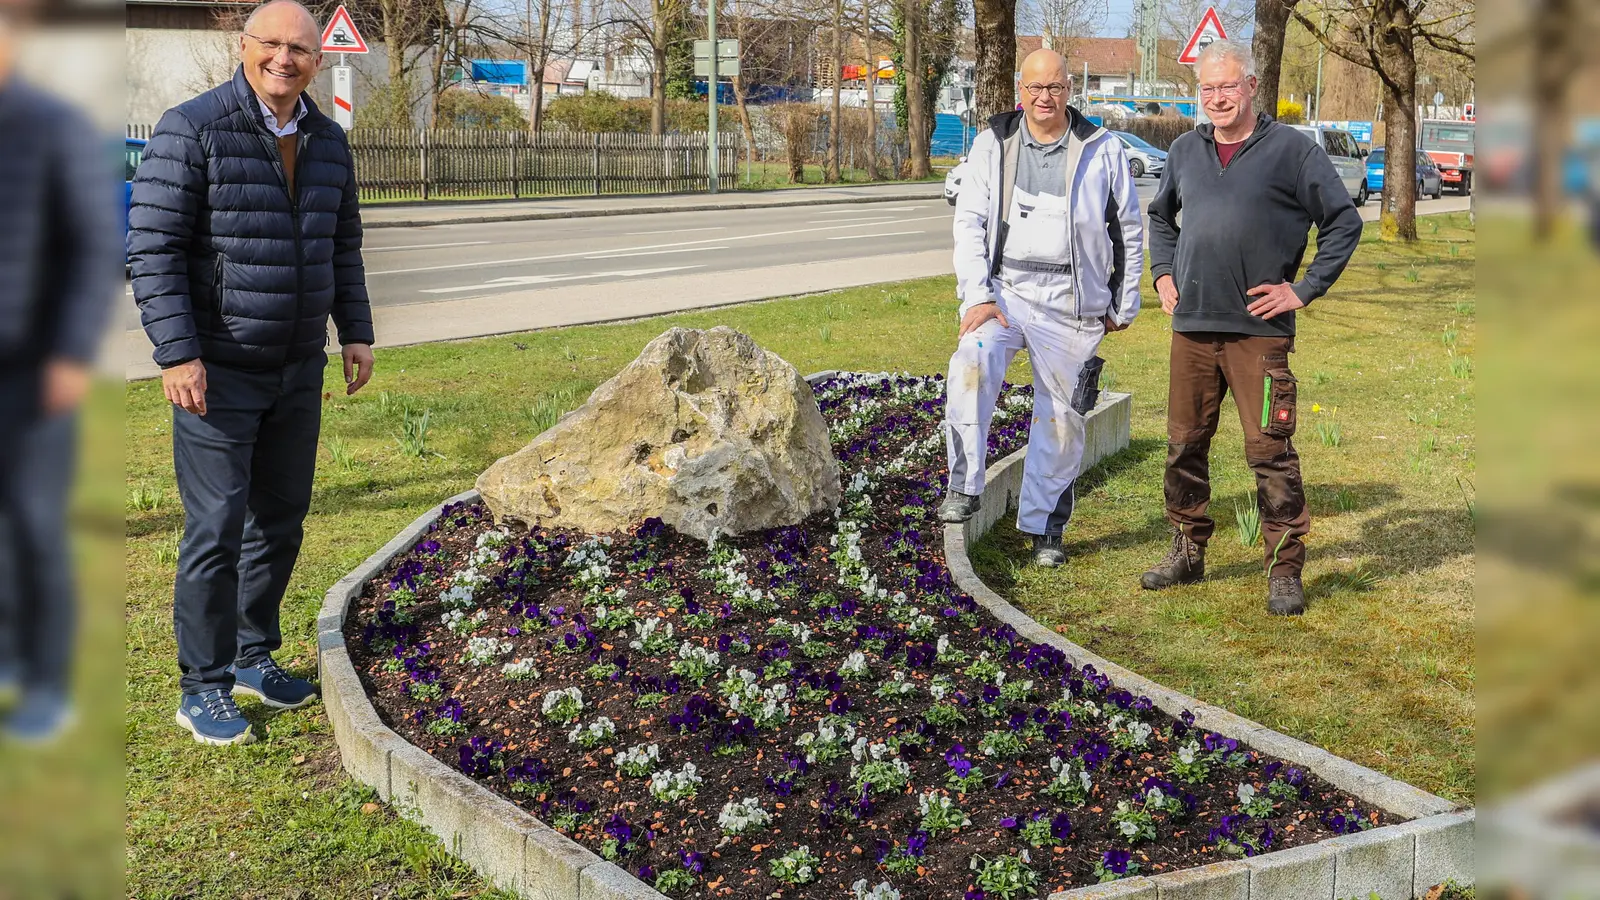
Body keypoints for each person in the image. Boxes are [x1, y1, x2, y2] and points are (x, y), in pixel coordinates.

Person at [129, 0, 376, 745]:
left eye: (301, 49)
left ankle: (250, 656)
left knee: (280, 521)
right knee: (214, 529)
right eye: (271, 44)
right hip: (217, 370)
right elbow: (153, 250)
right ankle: (200, 686)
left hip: (298, 367)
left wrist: (355, 333)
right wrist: (177, 352)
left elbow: (344, 246)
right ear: (245, 47)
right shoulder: (193, 128)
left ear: (318, 59)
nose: (285, 59)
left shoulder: (327, 141)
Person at [1143, 40, 1362, 614]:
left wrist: (1303, 288)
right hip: (1191, 326)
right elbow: (1161, 217)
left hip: (1258, 334)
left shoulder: (1292, 152)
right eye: (1207, 88)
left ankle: (1285, 569)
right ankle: (1187, 550)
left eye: (1227, 86)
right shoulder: (1187, 150)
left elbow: (1342, 223)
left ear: (1252, 86)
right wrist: (1163, 274)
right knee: (1184, 444)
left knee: (1270, 451)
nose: (1217, 98)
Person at [938, 49, 1143, 567]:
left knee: (1062, 418)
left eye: (1053, 87)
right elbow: (970, 225)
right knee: (970, 364)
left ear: (1069, 90)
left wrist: (1123, 301)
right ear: (1019, 91)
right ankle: (965, 485)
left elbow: (1129, 232)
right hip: (1006, 295)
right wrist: (978, 296)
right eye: (1034, 88)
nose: (1044, 98)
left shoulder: (1103, 150)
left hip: (1071, 304)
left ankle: (1044, 529)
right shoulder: (993, 146)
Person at [0, 1, 117, 743]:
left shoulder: (53, 125)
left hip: (35, 370)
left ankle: (49, 684)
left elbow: (94, 246)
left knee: (39, 526)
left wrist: (73, 353)